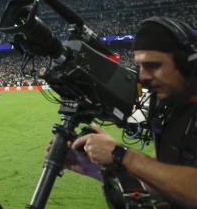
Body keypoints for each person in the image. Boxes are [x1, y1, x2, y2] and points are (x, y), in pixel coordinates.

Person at [61, 17, 197, 208]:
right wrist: (98, 169)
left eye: (154, 65)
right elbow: (163, 183)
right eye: (140, 66)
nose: (143, 77)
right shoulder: (171, 110)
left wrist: (121, 154)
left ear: (187, 63)